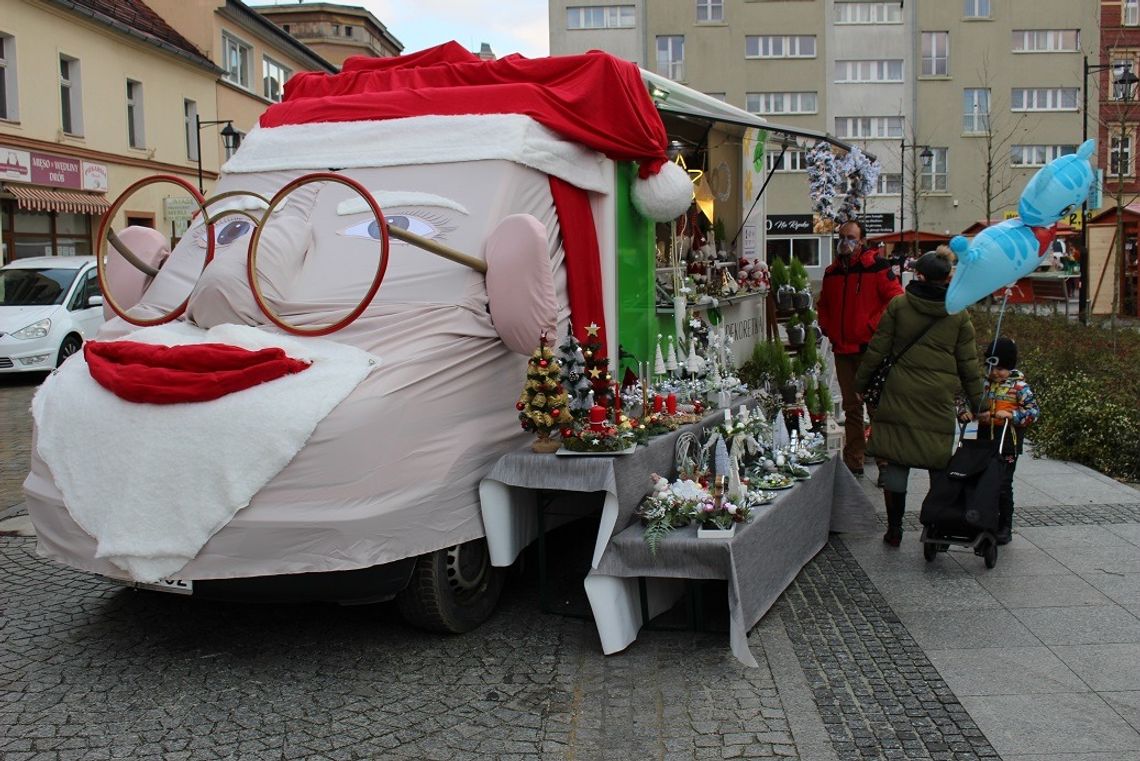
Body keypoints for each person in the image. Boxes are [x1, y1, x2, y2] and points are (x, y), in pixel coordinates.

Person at [854, 247, 984, 547]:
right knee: (937, 462)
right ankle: (936, 526)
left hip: (899, 392)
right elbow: (969, 365)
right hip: (937, 398)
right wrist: (979, 404)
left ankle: (895, 529)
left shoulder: (900, 305)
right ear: (947, 278)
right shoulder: (958, 313)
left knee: (898, 460)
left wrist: (861, 383)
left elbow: (878, 349)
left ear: (920, 275)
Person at [817, 219, 903, 478]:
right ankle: (854, 459)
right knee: (851, 408)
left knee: (876, 406)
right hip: (843, 349)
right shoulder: (832, 272)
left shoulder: (877, 267)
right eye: (842, 236)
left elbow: (896, 298)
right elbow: (825, 305)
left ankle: (885, 461)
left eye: (851, 237)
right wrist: (828, 328)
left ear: (863, 240)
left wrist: (872, 326)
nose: (845, 242)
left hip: (869, 349)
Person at [960, 336, 1040, 545]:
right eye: (991, 367)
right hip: (984, 441)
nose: (995, 372)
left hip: (1008, 443)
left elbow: (1033, 412)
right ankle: (983, 519)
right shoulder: (984, 385)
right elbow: (969, 402)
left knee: (1003, 484)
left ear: (1010, 367)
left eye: (1001, 368)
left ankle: (1005, 525)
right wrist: (967, 412)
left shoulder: (1020, 388)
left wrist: (1012, 416)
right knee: (981, 481)